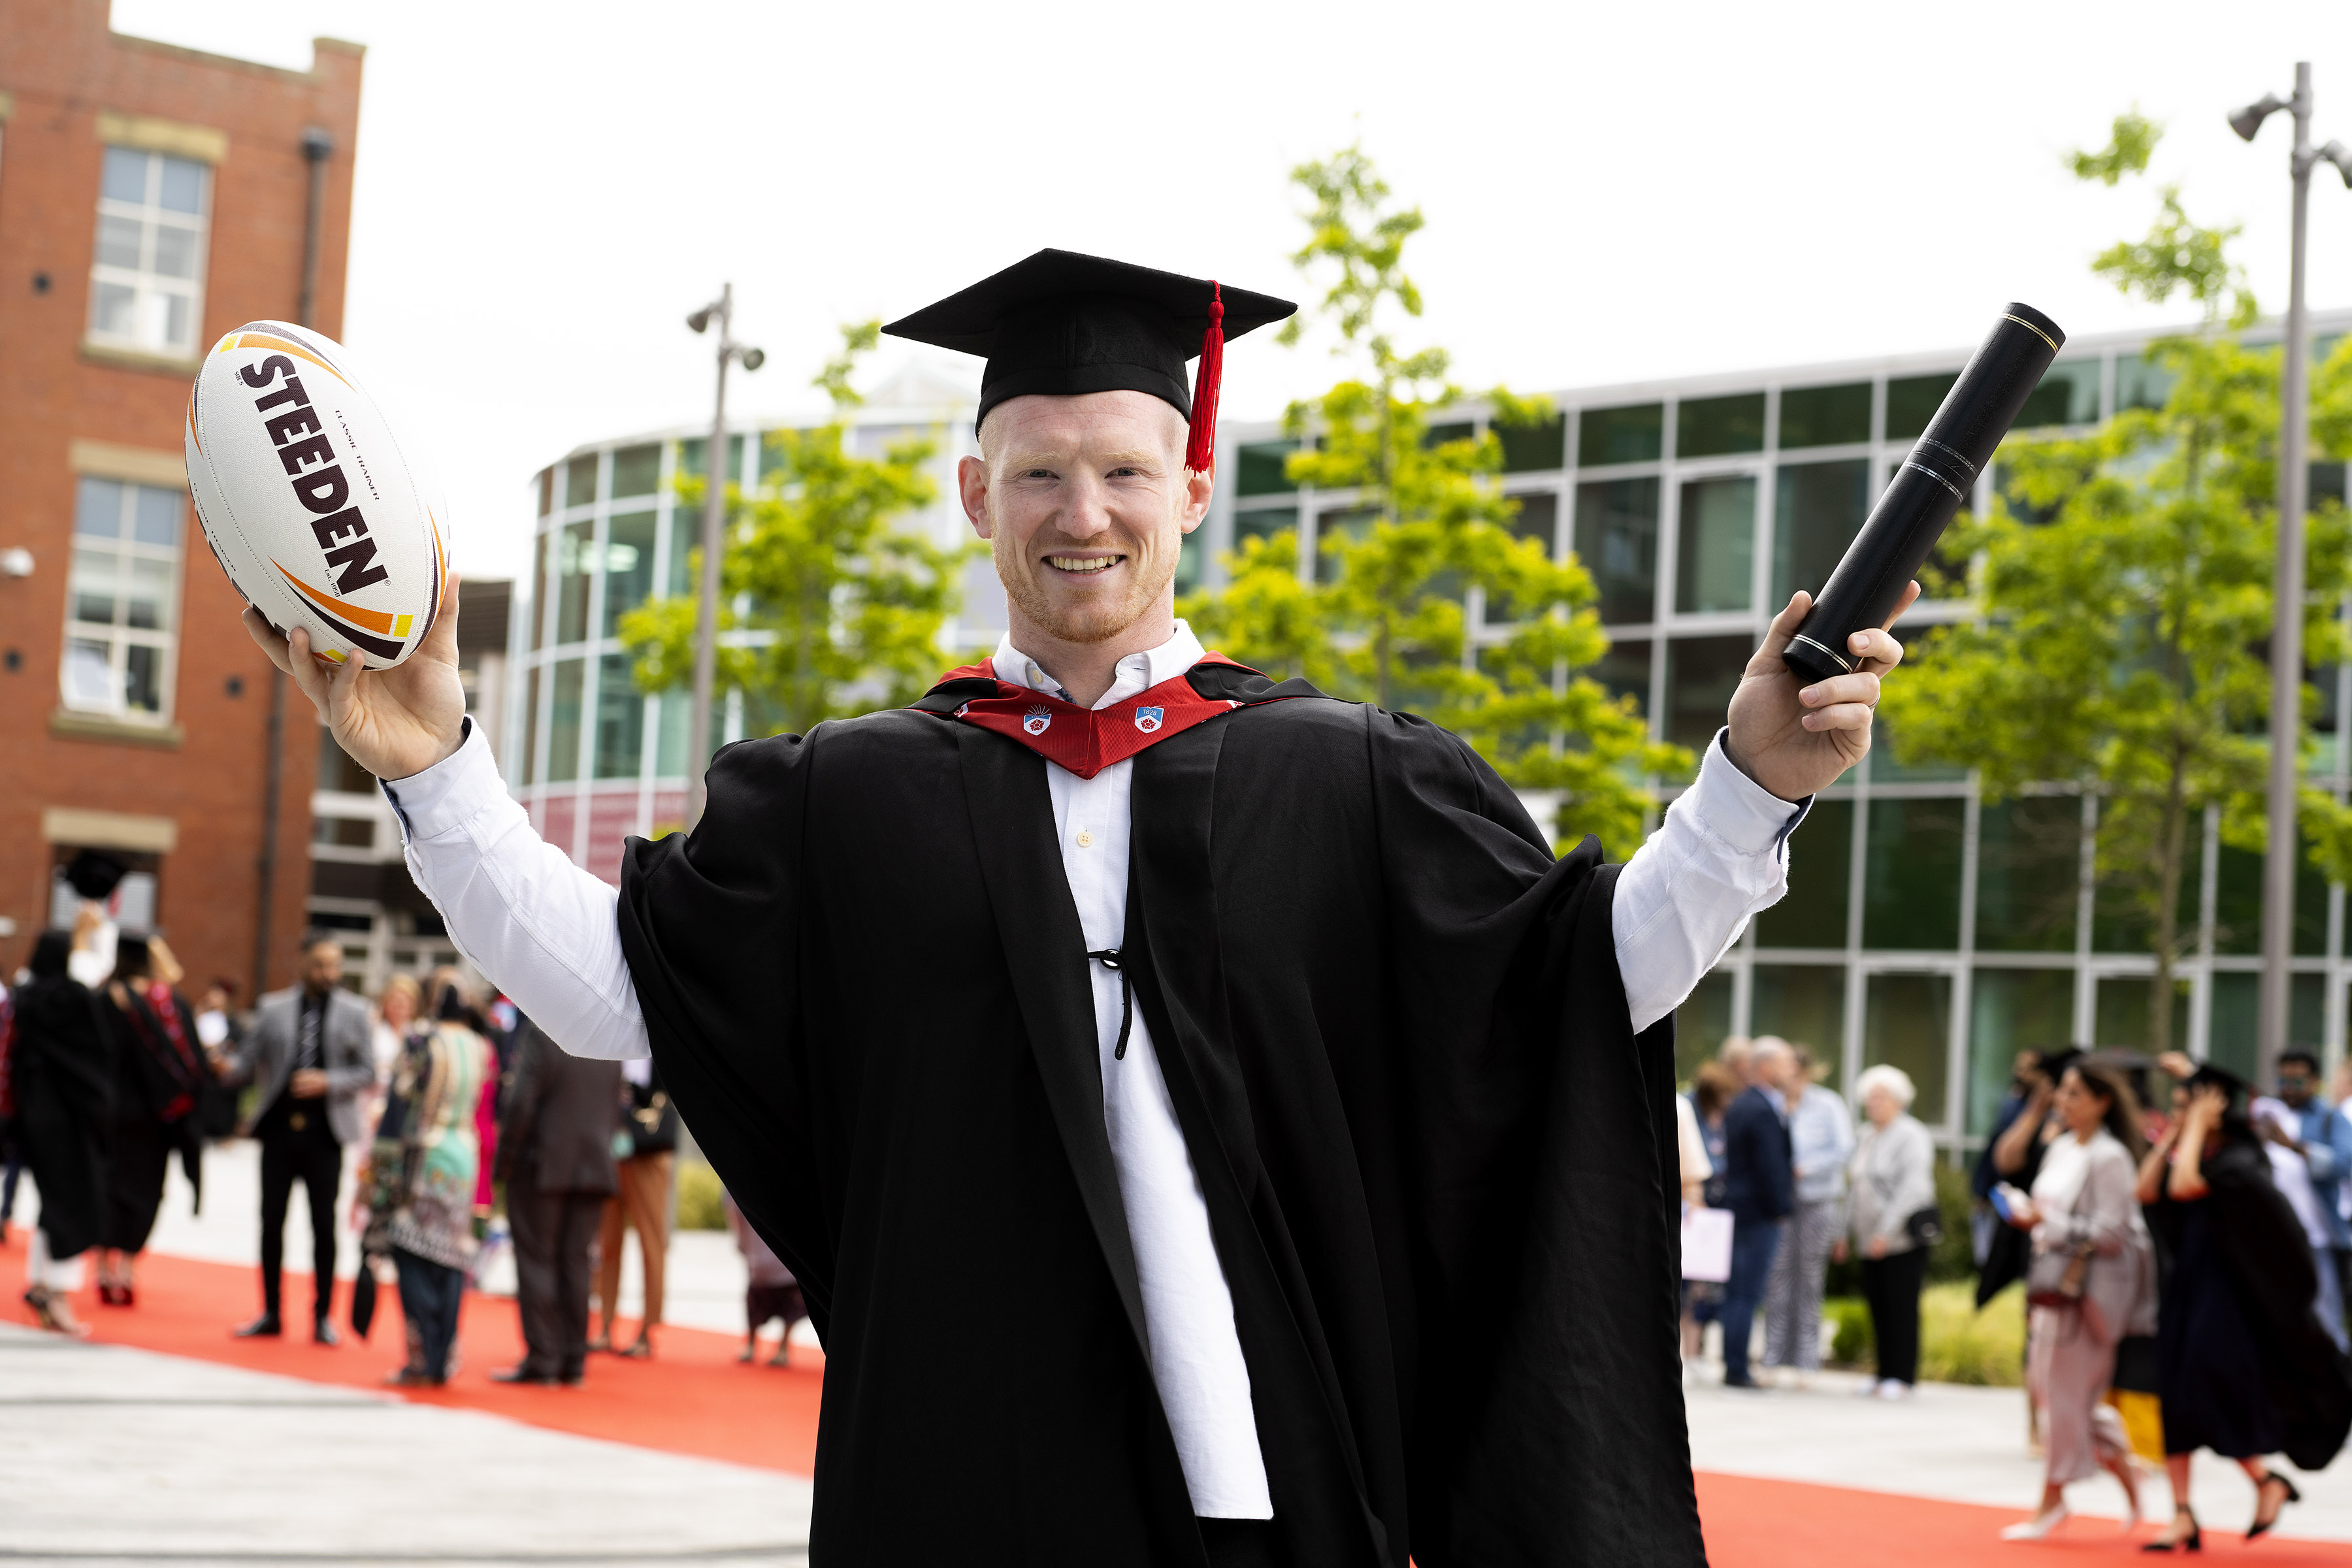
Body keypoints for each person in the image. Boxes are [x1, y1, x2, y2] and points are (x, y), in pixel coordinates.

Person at [258, 250, 1916, 1565]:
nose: (1083, 513)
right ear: (974, 496)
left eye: (1124, 469)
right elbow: (619, 989)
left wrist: (1749, 783)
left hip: (1270, 1489)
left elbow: (1585, 979)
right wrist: (441, 773)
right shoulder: (849, 796)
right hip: (958, 1492)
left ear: (1191, 484)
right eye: (1038, 472)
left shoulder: (1348, 778)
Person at [2135, 1063, 2352, 1552]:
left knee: (2206, 1391)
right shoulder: (2200, 1152)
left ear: (2215, 1111)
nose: (2178, 1114)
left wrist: (2192, 1130)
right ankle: (2188, 1511)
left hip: (2226, 1299)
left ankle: (2261, 1481)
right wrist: (2173, 1137)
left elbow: (2184, 1187)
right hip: (2186, 1289)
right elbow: (2146, 1189)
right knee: (2175, 1390)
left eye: (2187, 1106)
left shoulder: (2239, 1161)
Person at [1995, 1062, 2154, 1541]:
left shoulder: (2110, 1157)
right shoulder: (2061, 1147)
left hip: (2088, 1294)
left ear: (2102, 1102)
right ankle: (2127, 1477)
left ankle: (2053, 1500)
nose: (2063, 1101)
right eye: (2062, 1092)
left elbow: (2112, 1232)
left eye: (2075, 1094)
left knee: (2063, 1397)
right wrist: (2030, 1215)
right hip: (2053, 1286)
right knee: (2059, 1395)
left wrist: (2047, 1222)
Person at [219, 935, 374, 1342]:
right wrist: (221, 1065)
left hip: (326, 1133)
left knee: (323, 1225)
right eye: (321, 964)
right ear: (302, 961)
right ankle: (271, 1312)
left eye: (335, 965)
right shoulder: (272, 1008)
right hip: (279, 1130)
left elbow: (368, 1072)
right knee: (271, 1222)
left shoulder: (355, 1011)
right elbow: (245, 1063)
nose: (329, 973)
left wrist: (328, 1081)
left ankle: (323, 1316)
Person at [359, 977, 495, 1386]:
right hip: (463, 1158)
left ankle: (421, 1354)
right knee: (451, 1259)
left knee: (411, 1253)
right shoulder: (480, 1046)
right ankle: (444, 1353)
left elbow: (399, 1107)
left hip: (424, 1155)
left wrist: (379, 1174)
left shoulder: (423, 1042)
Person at [496, 1015, 619, 1386]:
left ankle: (544, 1357)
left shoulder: (545, 1030)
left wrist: (504, 1161)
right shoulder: (607, 1040)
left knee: (538, 1259)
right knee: (576, 1262)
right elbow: (616, 1104)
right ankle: (572, 1357)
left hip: (544, 1165)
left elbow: (521, 1102)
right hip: (593, 1165)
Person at [5, 932, 112, 1334]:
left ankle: (41, 1287)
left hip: (32, 1117)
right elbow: (97, 1059)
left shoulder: (23, 998)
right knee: (75, 1204)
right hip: (70, 1119)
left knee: (51, 1204)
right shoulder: (74, 999)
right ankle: (58, 1295)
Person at [93, 935, 205, 1306]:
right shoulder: (165, 1002)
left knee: (108, 1187)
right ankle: (126, 1270)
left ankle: (103, 1269)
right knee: (145, 1191)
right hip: (155, 1118)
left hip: (110, 1113)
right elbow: (190, 1058)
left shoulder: (103, 997)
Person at [1763, 1041, 1852, 1386]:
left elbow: (1844, 1148)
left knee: (1810, 1281)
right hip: (1783, 1204)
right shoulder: (1775, 1104)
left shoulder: (1828, 1104)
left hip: (1817, 1200)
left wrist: (1807, 1167)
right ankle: (1772, 1359)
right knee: (1778, 1279)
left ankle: (1806, 1362)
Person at [1844, 1064, 1935, 1399]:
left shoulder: (1912, 1135)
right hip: (1869, 1239)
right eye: (1870, 1098)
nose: (1874, 1104)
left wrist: (1885, 1232)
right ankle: (1883, 1373)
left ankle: (1903, 1376)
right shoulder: (1866, 1135)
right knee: (1878, 1305)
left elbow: (1913, 1189)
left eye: (1881, 1097)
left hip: (1901, 1239)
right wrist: (1844, 1233)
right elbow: (1855, 1187)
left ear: (1898, 1100)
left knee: (1901, 1306)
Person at [1718, 1038, 1797, 1388]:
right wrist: (1780, 1208)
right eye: (1785, 1062)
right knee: (1746, 1292)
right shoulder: (1762, 1109)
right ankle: (1737, 1369)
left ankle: (1733, 1364)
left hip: (1740, 1208)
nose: (1791, 1070)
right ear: (1765, 1067)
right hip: (1757, 1213)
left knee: (1737, 1291)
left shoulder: (1741, 1103)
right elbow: (1770, 1167)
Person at [2264, 1049, 2352, 1352]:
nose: (2289, 1088)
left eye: (2297, 1081)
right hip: (2273, 1235)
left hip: (2316, 1237)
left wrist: (2294, 1147)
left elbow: (2344, 1163)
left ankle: (2336, 1373)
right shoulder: (2266, 1114)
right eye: (2283, 1081)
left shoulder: (2330, 1118)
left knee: (2326, 1318)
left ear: (2315, 1081)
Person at [590, 1057, 676, 1360]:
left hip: (650, 1153)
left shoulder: (658, 1043)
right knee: (608, 1243)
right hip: (613, 1150)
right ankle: (605, 1325)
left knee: (651, 1243)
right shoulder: (609, 1042)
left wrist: (632, 1092)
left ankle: (648, 1330)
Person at [1681, 1061, 1738, 1367]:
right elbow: (1694, 1166)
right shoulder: (1686, 1110)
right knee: (1682, 1285)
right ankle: (1680, 1354)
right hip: (1690, 1207)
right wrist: (1694, 1197)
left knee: (1703, 1288)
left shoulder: (1720, 1119)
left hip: (1713, 1208)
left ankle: (1694, 1353)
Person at [725, 1186, 808, 1366]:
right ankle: (751, 1342)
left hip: (789, 1254)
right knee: (756, 1299)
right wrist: (742, 1243)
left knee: (790, 1303)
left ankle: (783, 1346)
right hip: (760, 1252)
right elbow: (734, 1209)